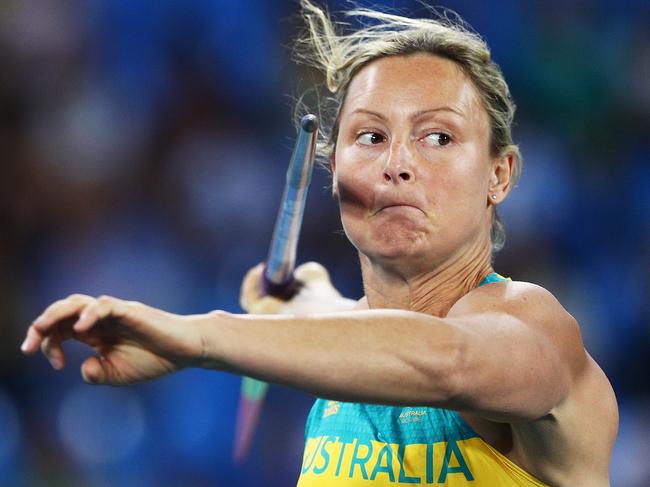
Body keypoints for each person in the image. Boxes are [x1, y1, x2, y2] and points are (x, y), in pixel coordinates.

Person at [21, 1, 617, 485]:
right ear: (334, 171)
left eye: (437, 136)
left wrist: (200, 337)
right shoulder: (342, 345)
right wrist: (310, 302)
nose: (397, 164)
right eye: (369, 135)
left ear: (500, 174)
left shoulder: (534, 328)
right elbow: (368, 333)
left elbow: (447, 360)